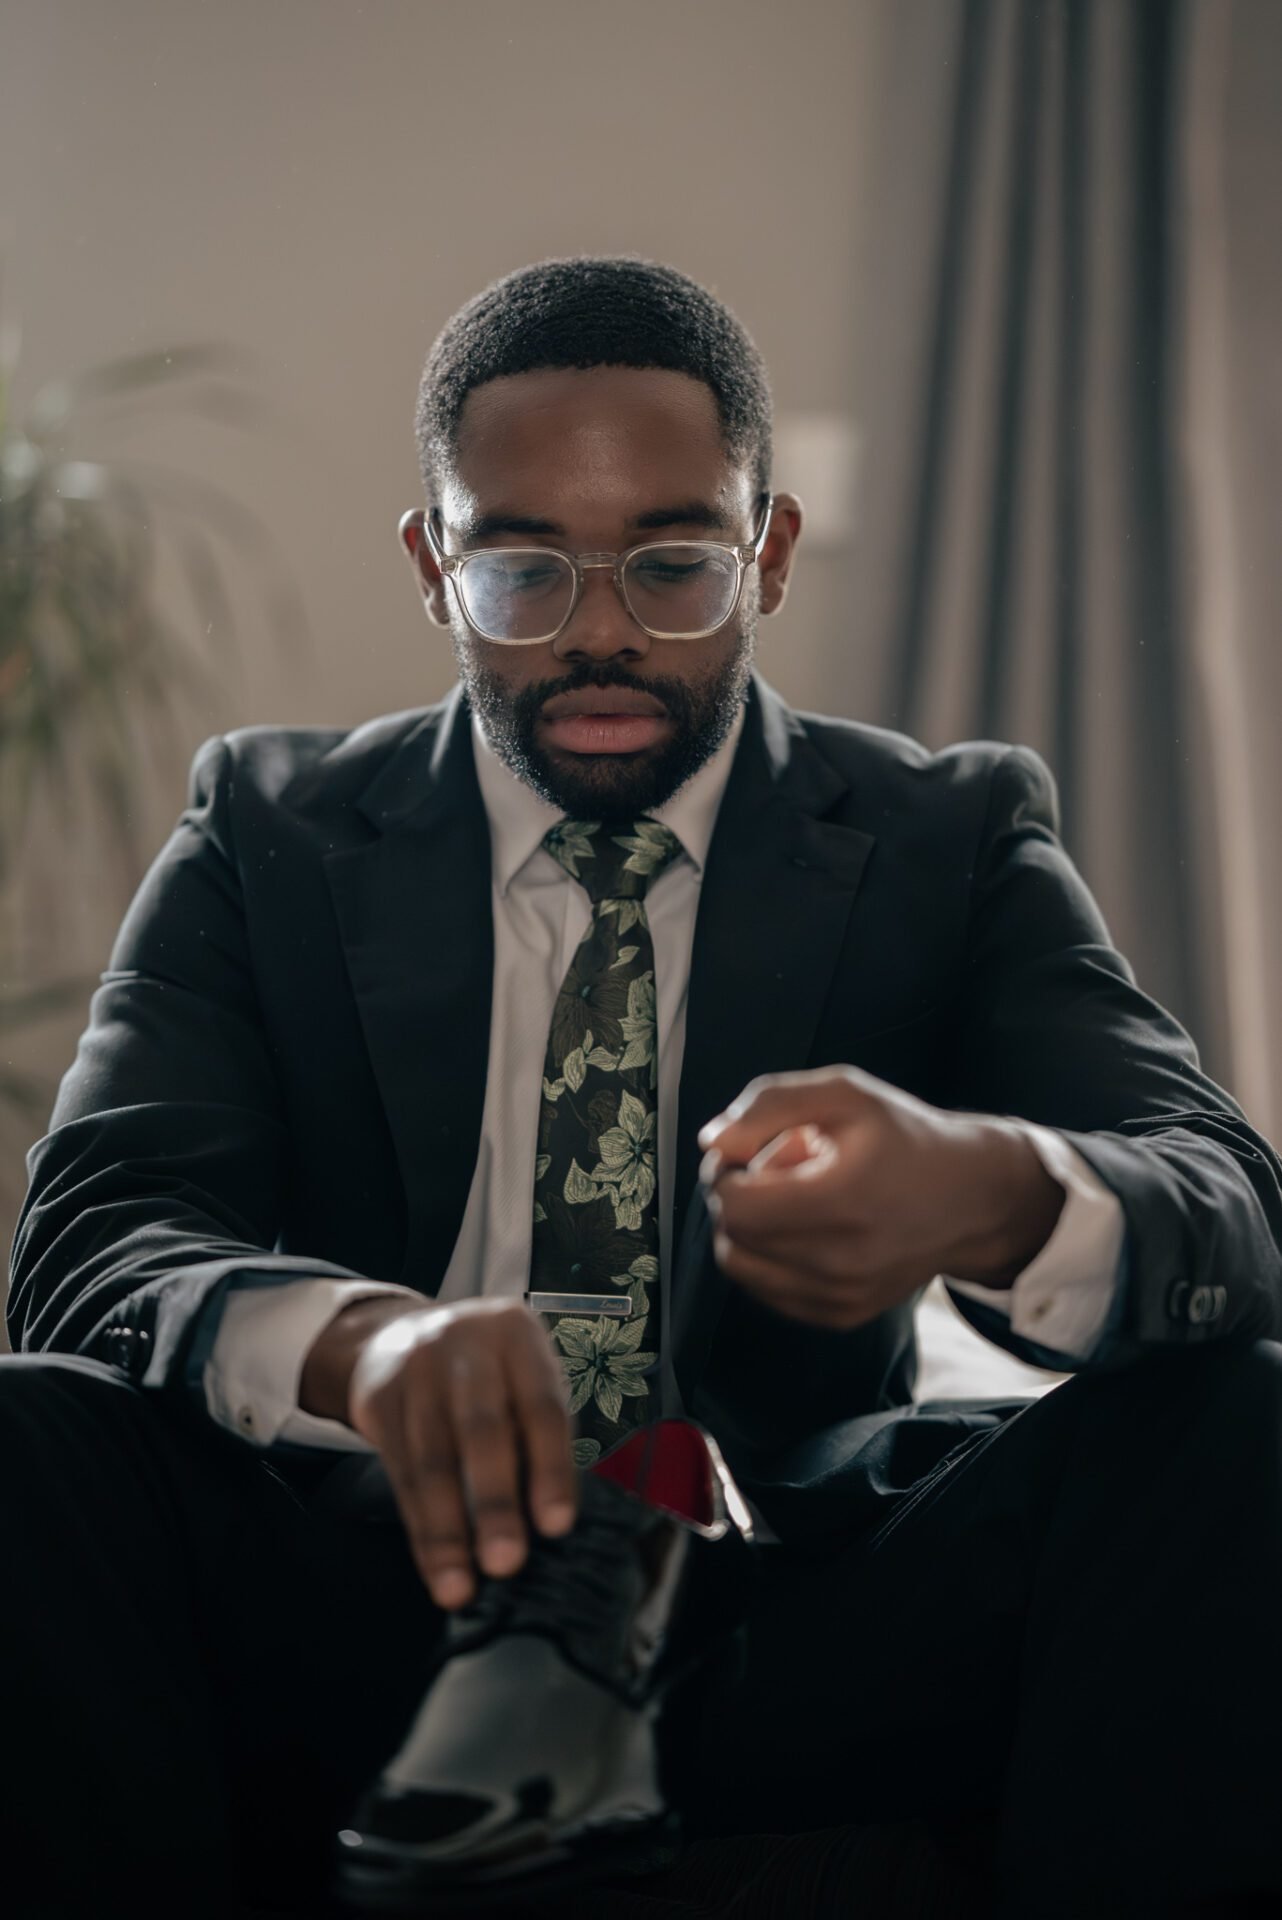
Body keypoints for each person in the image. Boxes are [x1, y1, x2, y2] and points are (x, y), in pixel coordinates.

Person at [6, 256, 1282, 1920]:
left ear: (768, 552)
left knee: (1236, 1415)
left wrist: (991, 1196)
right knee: (30, 1430)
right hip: (352, 1594)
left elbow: (1227, 1208)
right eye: (520, 568)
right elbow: (95, 1245)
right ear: (433, 566)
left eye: (673, 564)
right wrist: (355, 1345)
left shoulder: (945, 837)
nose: (600, 631)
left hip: (783, 1620)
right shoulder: (264, 831)